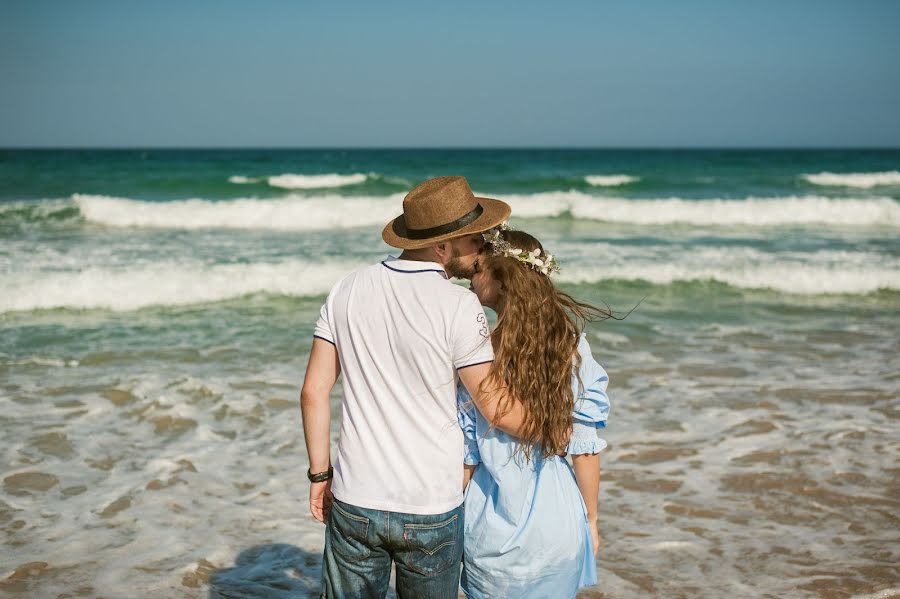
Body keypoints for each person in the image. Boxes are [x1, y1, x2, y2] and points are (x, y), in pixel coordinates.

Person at [300, 176, 528, 599]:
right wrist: (554, 427)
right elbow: (495, 405)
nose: (479, 246)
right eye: (470, 239)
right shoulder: (460, 305)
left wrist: (319, 474)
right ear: (441, 248)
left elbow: (314, 390)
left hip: (355, 497)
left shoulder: (347, 287)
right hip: (430, 505)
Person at [457, 225, 611, 599]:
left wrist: (442, 522)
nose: (470, 279)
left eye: (478, 269)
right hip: (557, 522)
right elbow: (584, 445)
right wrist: (590, 519)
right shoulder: (570, 346)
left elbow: (467, 451)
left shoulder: (478, 354)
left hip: (492, 525)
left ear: (504, 280)